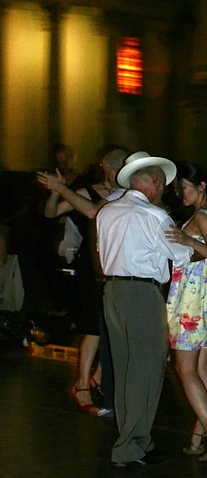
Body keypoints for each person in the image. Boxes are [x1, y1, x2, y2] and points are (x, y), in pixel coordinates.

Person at [97, 152, 192, 467]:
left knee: (125, 369)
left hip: (112, 291)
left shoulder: (107, 212)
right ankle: (130, 446)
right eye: (162, 185)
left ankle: (136, 439)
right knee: (146, 372)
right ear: (155, 182)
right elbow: (182, 255)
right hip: (141, 294)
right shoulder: (154, 216)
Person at [37, 146, 128, 417]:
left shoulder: (127, 194)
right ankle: (82, 384)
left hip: (118, 266)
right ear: (109, 168)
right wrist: (57, 191)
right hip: (93, 265)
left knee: (113, 326)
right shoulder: (89, 192)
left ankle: (97, 377)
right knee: (93, 325)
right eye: (121, 167)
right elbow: (52, 213)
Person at [165, 163, 207, 461]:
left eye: (184, 188)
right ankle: (199, 437)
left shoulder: (203, 216)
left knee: (186, 369)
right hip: (206, 296)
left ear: (200, 186)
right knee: (200, 369)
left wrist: (188, 241)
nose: (180, 193)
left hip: (195, 299)